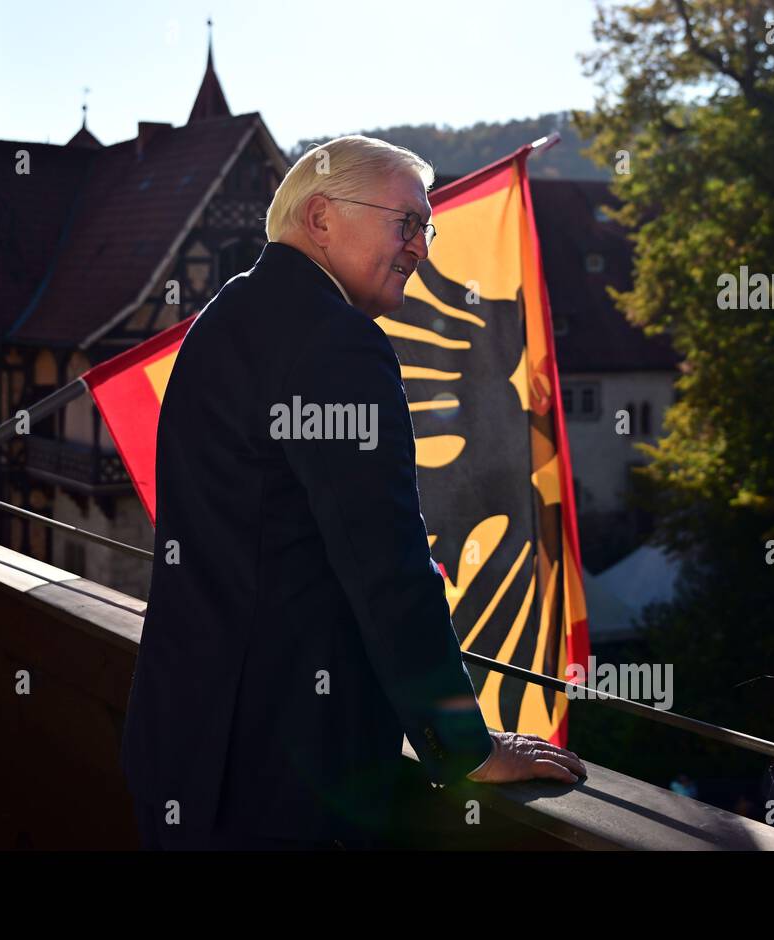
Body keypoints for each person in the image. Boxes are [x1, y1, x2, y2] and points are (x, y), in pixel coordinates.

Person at [121, 135, 586, 850]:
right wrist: (463, 744)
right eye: (405, 224)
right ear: (320, 220)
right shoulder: (337, 343)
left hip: (185, 741)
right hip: (285, 772)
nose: (420, 249)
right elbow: (388, 568)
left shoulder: (223, 318)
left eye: (425, 228)